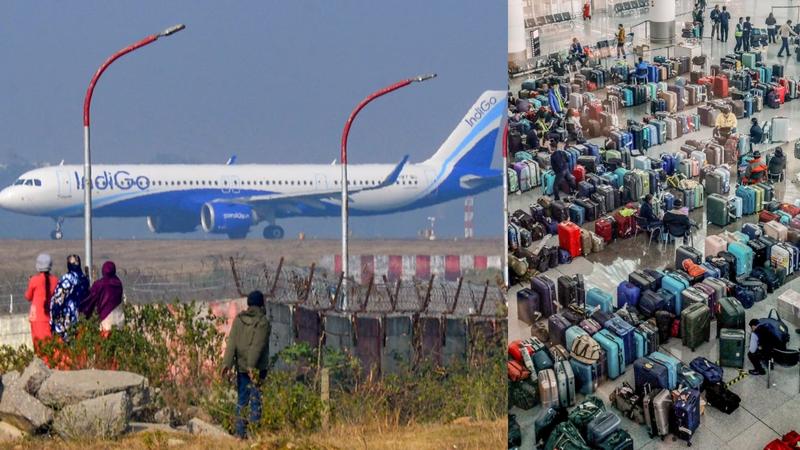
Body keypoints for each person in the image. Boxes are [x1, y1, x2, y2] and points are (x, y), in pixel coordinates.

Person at [221, 290, 271, 439]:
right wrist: (251, 367)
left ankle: (240, 433)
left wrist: (226, 364)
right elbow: (257, 346)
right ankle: (254, 434)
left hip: (242, 368)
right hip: (255, 369)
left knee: (242, 400)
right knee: (255, 400)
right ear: (261, 304)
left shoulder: (239, 320)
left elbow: (232, 343)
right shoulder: (262, 322)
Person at [49, 254, 90, 341]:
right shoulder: (84, 279)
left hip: (68, 316)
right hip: (82, 316)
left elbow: (59, 298)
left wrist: (54, 313)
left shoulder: (67, 278)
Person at [24, 254, 57, 353]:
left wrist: (30, 282)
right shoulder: (55, 280)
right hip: (50, 316)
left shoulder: (34, 280)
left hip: (36, 317)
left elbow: (28, 296)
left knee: (38, 344)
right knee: (50, 343)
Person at [79, 261, 124, 332]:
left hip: (106, 317)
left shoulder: (100, 284)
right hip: (119, 316)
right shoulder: (118, 283)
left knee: (106, 338)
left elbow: (91, 298)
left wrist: (83, 309)